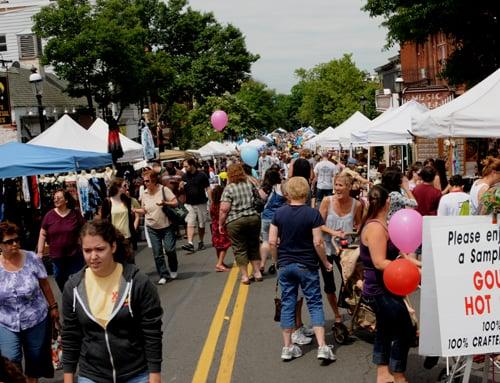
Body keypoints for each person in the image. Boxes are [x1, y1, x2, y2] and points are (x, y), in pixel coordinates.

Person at [62, 220, 163, 383]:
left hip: (136, 374)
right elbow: (70, 335)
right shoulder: (73, 288)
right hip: (92, 375)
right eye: (87, 250)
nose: (93, 256)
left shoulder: (137, 282)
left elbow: (152, 331)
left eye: (100, 249)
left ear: (113, 247)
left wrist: (155, 374)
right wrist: (68, 378)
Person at [269, 177, 335, 363]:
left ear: (288, 193)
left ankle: (287, 347)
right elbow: (318, 242)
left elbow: (272, 241)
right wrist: (325, 262)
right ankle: (322, 346)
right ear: (306, 193)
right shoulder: (312, 214)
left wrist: (277, 261)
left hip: (286, 264)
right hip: (307, 265)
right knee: (314, 302)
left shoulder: (279, 214)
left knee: (288, 302)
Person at [359, 185, 418, 383]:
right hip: (379, 289)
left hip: (387, 286)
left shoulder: (383, 225)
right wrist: (408, 269)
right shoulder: (375, 228)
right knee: (405, 329)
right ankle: (398, 374)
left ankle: (383, 373)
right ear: (388, 202)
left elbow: (400, 252)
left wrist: (419, 264)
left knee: (384, 328)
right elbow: (379, 262)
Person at [0, 221, 58, 382]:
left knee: (35, 361)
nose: (14, 244)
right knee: (10, 359)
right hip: (6, 321)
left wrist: (53, 306)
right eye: (9, 241)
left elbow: (45, 284)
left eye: (17, 240)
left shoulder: (32, 258)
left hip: (36, 318)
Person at [319, 173, 363, 328]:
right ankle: (337, 315)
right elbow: (319, 224)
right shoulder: (327, 201)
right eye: (336, 184)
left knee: (349, 280)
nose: (337, 188)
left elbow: (358, 225)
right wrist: (333, 233)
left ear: (349, 187)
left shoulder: (356, 205)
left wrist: (359, 230)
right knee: (329, 284)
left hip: (346, 248)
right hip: (328, 247)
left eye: (340, 185)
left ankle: (352, 307)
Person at [219, 163, 262, 284]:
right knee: (253, 245)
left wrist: (220, 224)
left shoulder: (229, 188)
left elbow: (224, 209)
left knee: (240, 248)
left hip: (235, 220)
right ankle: (257, 272)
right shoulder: (249, 184)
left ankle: (245, 276)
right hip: (253, 218)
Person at [37, 189, 86, 291]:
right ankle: (67, 298)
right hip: (57, 257)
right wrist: (40, 252)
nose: (56, 200)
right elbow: (42, 233)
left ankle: (79, 300)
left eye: (59, 198)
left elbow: (85, 230)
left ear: (66, 200)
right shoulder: (49, 215)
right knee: (59, 279)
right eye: (54, 198)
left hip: (75, 255)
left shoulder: (75, 214)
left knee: (79, 279)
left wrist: (85, 245)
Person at [135, 170, 179, 284]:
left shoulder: (164, 190)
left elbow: (175, 203)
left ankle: (173, 268)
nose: (145, 183)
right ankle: (163, 274)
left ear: (154, 180)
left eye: (147, 181)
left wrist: (165, 203)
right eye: (144, 181)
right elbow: (144, 210)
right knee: (157, 253)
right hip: (151, 227)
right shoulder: (144, 194)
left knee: (170, 249)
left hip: (166, 225)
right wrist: (134, 210)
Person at [99, 177, 139, 260]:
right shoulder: (107, 202)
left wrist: (134, 227)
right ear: (117, 187)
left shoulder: (127, 200)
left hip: (127, 237)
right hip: (114, 238)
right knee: (117, 263)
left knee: (130, 263)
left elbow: (138, 213)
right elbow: (103, 221)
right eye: (124, 186)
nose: (127, 188)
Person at [259, 167, 287, 274]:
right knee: (277, 241)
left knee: (266, 241)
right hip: (279, 217)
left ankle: (262, 264)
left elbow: (260, 202)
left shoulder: (264, 188)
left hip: (266, 217)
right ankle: (275, 262)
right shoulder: (282, 187)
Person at [180, 158, 210, 252]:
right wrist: (180, 187)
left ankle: (201, 241)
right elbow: (182, 191)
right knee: (190, 223)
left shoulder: (202, 175)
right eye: (184, 166)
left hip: (201, 203)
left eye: (186, 166)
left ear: (192, 165)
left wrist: (212, 202)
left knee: (201, 224)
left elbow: (208, 188)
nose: (184, 168)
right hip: (189, 204)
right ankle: (190, 243)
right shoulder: (184, 176)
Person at [209, 185, 232, 272]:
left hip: (214, 225)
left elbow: (211, 215)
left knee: (218, 245)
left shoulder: (212, 205)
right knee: (225, 245)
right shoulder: (221, 205)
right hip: (221, 225)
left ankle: (221, 261)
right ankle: (219, 264)